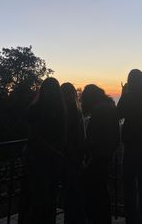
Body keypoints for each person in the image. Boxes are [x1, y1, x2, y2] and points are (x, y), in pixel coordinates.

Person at [18, 77, 65, 224]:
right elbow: (34, 136)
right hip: (38, 158)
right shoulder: (38, 109)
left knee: (47, 196)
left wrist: (56, 152)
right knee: (40, 197)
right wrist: (54, 151)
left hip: (49, 158)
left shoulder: (56, 109)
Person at [117, 69, 142, 224]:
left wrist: (123, 93)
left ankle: (131, 218)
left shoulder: (128, 96)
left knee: (128, 182)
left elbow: (118, 114)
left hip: (131, 143)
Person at [81, 84, 120, 224]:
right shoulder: (109, 108)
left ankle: (95, 218)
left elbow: (93, 136)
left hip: (98, 156)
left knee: (93, 189)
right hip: (105, 155)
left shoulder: (99, 111)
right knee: (101, 190)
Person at [61, 82, 86, 224]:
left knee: (70, 192)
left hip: (69, 156)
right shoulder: (77, 111)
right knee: (75, 192)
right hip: (76, 156)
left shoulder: (67, 111)